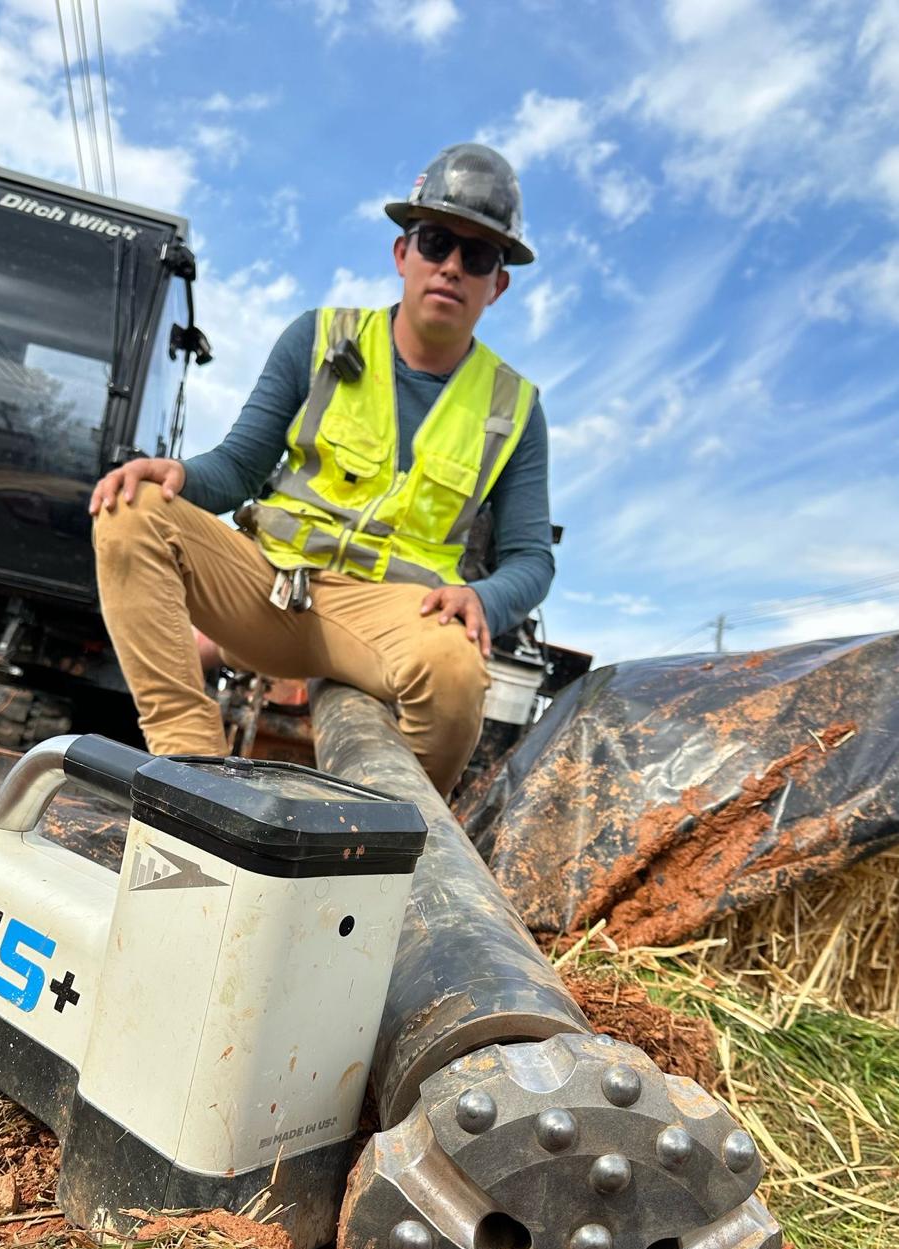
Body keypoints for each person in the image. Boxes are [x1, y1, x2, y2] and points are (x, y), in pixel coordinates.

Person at [89, 143, 554, 796]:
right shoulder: (318, 337)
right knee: (131, 509)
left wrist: (482, 598)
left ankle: (386, 845)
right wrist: (178, 476)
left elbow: (532, 559)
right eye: (435, 242)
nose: (451, 266)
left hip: (389, 619)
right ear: (402, 254)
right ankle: (194, 780)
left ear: (497, 284)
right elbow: (238, 468)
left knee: (455, 672)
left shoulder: (515, 408)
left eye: (476, 256)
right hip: (270, 588)